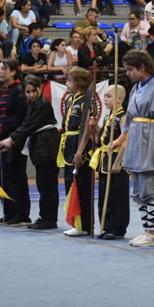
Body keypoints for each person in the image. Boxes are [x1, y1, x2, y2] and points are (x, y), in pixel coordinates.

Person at [118, 50, 154, 247]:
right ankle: (146, 228)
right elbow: (130, 117)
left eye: (131, 70)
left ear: (142, 68)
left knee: (150, 185)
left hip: (152, 137)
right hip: (135, 137)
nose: (128, 74)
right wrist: (121, 137)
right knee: (139, 187)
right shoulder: (136, 88)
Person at [0, 74, 60, 230]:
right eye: (28, 92)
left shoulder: (42, 105)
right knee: (42, 184)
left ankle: (49, 219)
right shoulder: (32, 103)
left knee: (47, 185)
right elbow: (26, 124)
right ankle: (45, 216)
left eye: (34, 91)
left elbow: (29, 125)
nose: (31, 94)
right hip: (39, 145)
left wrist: (11, 139)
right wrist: (11, 140)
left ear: (40, 89)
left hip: (47, 144)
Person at [0, 58, 31, 225]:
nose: (0, 72)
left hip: (15, 139)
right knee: (3, 177)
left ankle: (21, 213)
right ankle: (8, 211)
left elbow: (19, 117)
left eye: (4, 69)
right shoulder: (2, 91)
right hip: (1, 139)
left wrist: (2, 129)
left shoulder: (19, 92)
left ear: (13, 72)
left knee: (16, 177)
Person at [91, 84, 129, 240]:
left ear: (119, 99)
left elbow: (125, 142)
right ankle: (106, 226)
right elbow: (102, 138)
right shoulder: (108, 117)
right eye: (104, 96)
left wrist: (117, 162)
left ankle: (117, 227)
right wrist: (95, 127)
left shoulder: (123, 117)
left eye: (108, 96)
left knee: (116, 196)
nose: (105, 99)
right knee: (104, 195)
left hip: (115, 162)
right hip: (104, 161)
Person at [60, 67, 94, 236]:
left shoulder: (85, 102)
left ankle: (85, 224)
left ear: (80, 83)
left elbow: (86, 130)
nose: (67, 84)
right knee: (70, 184)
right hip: (69, 144)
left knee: (81, 186)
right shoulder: (72, 100)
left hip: (79, 146)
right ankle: (76, 222)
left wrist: (80, 151)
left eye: (70, 81)